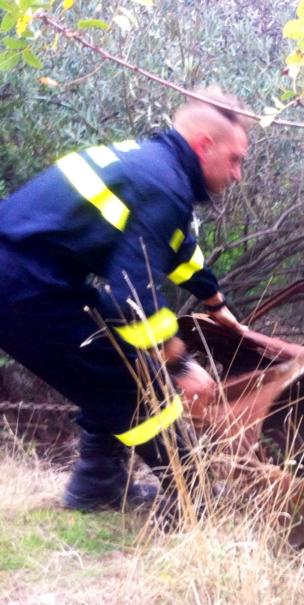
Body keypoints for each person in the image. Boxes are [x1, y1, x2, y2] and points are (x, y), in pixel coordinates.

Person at [0, 87, 249, 512]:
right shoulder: (165, 184)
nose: (238, 174)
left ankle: (98, 485)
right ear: (204, 145)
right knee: (135, 383)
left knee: (117, 357)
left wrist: (216, 304)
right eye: (236, 160)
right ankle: (199, 500)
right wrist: (181, 365)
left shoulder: (156, 167)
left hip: (32, 276)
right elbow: (130, 295)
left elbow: (177, 251)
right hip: (22, 285)